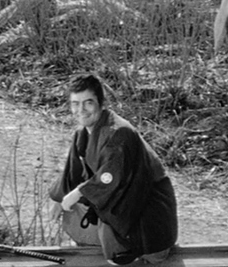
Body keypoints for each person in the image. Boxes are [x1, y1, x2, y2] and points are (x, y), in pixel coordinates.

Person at [49, 74, 178, 265]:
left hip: (147, 218)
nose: (81, 110)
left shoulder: (119, 132)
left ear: (101, 103)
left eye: (88, 103)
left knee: (80, 200)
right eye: (75, 103)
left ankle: (131, 253)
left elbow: (110, 179)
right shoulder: (82, 134)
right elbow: (72, 173)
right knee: (70, 209)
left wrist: (78, 193)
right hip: (122, 211)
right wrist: (59, 198)